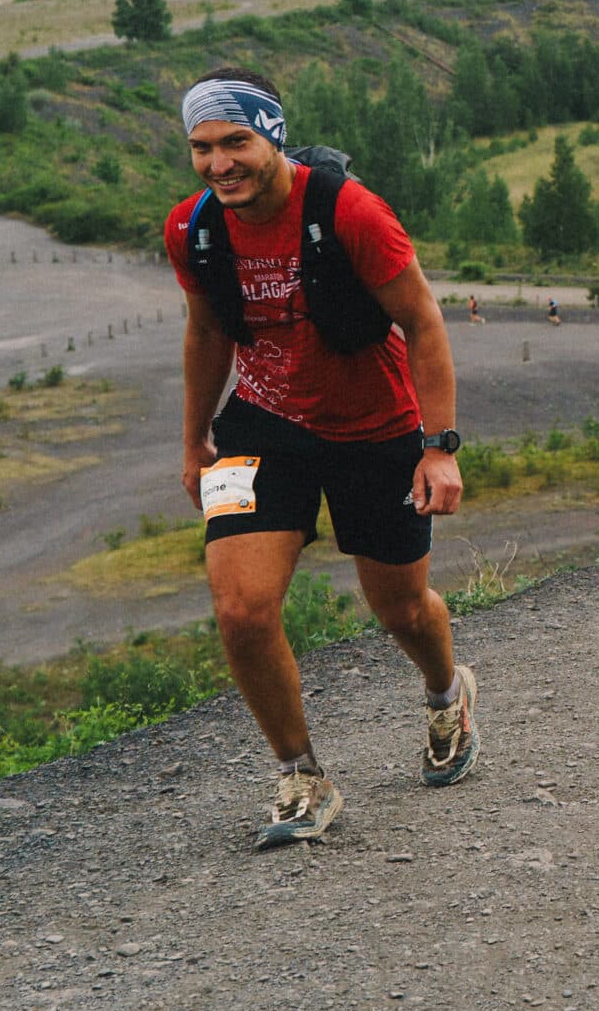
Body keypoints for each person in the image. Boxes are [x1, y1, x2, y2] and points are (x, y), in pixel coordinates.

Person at [166, 66, 476, 848]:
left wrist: (437, 450)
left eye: (235, 141)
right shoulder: (193, 228)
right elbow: (206, 333)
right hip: (262, 430)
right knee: (240, 609)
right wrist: (195, 436)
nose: (218, 163)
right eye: (201, 147)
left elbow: (424, 322)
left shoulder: (350, 212)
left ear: (271, 134)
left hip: (374, 429)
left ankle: (447, 694)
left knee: (401, 609)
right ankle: (302, 776)